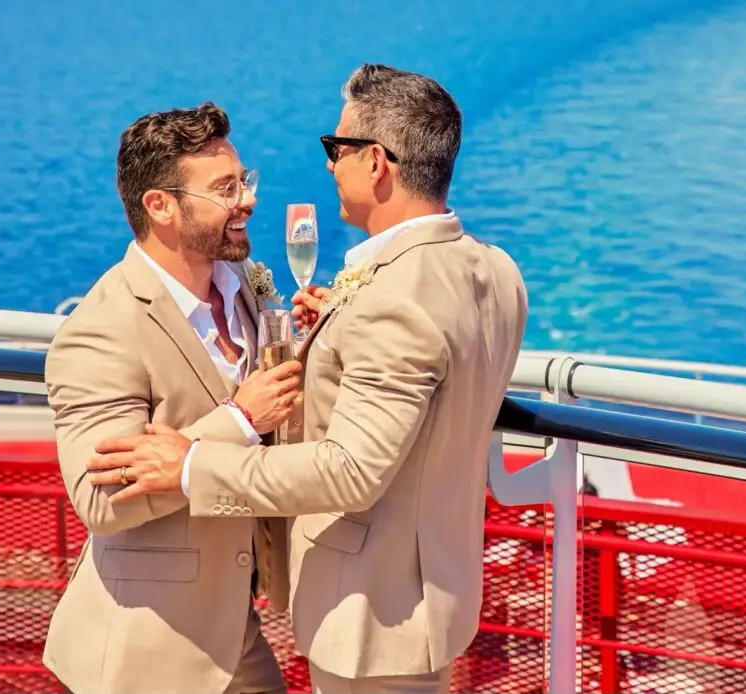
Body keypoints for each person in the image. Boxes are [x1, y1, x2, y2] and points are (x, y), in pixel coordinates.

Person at [86, 64, 529, 694]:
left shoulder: (393, 300)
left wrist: (190, 465)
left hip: (372, 615)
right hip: (435, 591)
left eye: (336, 148)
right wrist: (336, 335)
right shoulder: (495, 270)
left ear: (376, 163)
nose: (329, 165)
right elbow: (440, 385)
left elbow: (350, 469)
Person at [42, 103, 301, 694]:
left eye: (245, 181)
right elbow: (103, 502)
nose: (248, 200)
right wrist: (240, 419)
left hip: (237, 628)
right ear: (160, 206)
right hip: (147, 653)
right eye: (225, 188)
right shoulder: (102, 328)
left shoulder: (244, 290)